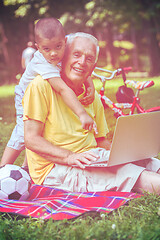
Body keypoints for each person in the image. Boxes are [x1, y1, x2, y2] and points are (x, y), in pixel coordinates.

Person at [23, 32, 160, 194]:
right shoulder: (41, 86)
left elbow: (100, 140)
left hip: (91, 157)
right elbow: (31, 139)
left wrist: (121, 155)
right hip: (55, 169)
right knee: (130, 174)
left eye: (89, 59)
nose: (82, 62)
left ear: (93, 67)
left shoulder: (92, 96)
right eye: (76, 54)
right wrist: (69, 157)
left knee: (150, 163)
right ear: (64, 57)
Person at [0, 18, 97, 168]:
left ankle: (27, 166)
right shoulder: (42, 63)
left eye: (58, 46)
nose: (53, 53)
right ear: (38, 48)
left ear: (65, 41)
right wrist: (82, 113)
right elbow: (63, 89)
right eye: (47, 49)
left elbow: (82, 68)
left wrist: (89, 84)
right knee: (23, 132)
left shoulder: (63, 49)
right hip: (25, 95)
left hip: (44, 95)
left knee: (43, 129)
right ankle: (3, 169)